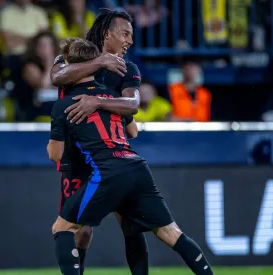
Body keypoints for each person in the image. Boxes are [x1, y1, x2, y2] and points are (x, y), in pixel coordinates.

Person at [48, 38, 214, 275]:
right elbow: (132, 131)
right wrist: (103, 107)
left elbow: (55, 154)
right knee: (170, 233)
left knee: (63, 228)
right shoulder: (114, 97)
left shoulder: (64, 104)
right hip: (136, 166)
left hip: (105, 171)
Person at [50, 9, 148, 275]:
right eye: (125, 34)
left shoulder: (128, 69)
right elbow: (57, 77)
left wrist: (99, 102)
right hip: (76, 158)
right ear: (107, 34)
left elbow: (133, 104)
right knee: (79, 231)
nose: (130, 41)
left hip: (111, 155)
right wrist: (101, 62)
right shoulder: (72, 55)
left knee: (130, 222)